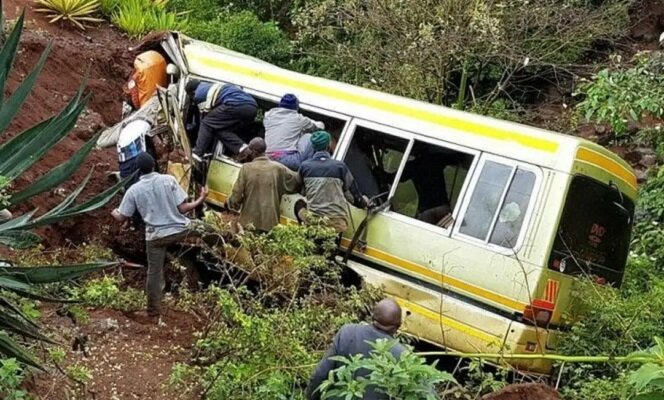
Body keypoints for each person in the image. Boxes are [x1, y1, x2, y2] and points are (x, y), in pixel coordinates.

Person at [111, 153, 208, 319]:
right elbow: (184, 208)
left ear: (138, 171)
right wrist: (201, 198)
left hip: (155, 237)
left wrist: (113, 212)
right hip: (180, 228)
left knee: (154, 273)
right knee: (209, 229)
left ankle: (153, 310)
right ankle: (230, 241)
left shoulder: (133, 190)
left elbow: (122, 217)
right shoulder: (168, 180)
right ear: (154, 164)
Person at [305, 299, 406, 400]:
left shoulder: (348, 332)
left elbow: (320, 374)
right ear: (398, 326)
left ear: (372, 317)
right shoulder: (401, 354)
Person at [298, 131, 367, 233]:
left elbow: (301, 190)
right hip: (336, 225)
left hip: (314, 222)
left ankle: (303, 232)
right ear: (328, 145)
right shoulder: (340, 167)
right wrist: (364, 202)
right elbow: (354, 196)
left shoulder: (305, 167)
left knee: (299, 205)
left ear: (312, 146)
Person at [227, 138, 300, 232]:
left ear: (254, 152)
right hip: (270, 223)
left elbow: (236, 194)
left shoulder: (246, 168)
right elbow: (296, 181)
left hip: (249, 222)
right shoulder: (278, 168)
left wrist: (233, 204)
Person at [186, 80, 258, 161]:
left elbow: (204, 120)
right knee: (219, 128)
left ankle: (198, 153)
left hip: (236, 105)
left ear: (192, 92)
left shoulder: (199, 94)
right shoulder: (210, 86)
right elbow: (214, 123)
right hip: (252, 108)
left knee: (207, 123)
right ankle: (242, 148)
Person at [264, 93, 324, 171]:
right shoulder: (299, 119)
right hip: (287, 160)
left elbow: (284, 128)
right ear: (296, 107)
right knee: (309, 137)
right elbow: (317, 127)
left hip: (266, 158)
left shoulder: (268, 116)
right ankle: (307, 170)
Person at [117, 119, 153, 188]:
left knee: (129, 182)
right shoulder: (145, 126)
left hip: (124, 158)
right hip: (134, 154)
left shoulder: (129, 129)